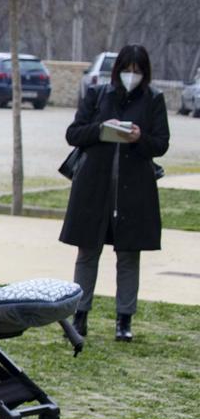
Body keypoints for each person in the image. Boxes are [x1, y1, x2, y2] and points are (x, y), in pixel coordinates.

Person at [61, 44, 170, 342]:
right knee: (87, 250)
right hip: (94, 187)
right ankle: (80, 315)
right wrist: (100, 129)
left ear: (144, 73)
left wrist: (138, 138)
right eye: (126, 70)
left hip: (133, 189)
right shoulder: (98, 94)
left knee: (129, 254)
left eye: (137, 71)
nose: (130, 76)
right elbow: (74, 133)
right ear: (117, 70)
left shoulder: (153, 100)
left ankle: (124, 320)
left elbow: (161, 143)